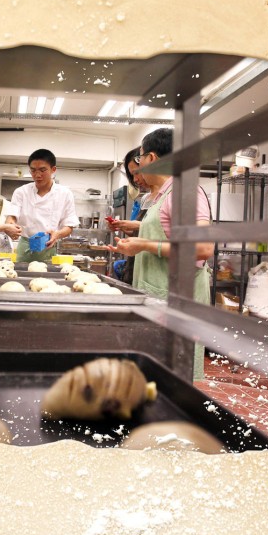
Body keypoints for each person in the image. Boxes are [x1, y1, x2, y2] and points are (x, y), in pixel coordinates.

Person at [108, 127, 214, 380]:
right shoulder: (163, 195)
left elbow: (203, 248)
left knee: (175, 378)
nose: (139, 164)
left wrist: (144, 246)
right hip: (159, 295)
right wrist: (139, 237)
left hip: (176, 300)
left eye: (141, 157)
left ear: (152, 159)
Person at [6, 148, 79, 263]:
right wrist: (10, 226)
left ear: (53, 169)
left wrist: (57, 234)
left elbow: (69, 226)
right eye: (33, 170)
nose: (37, 175)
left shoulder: (64, 194)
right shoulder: (21, 192)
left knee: (47, 279)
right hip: (25, 247)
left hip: (48, 247)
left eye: (42, 170)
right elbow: (11, 217)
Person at [110, 147, 151, 281]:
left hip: (152, 268)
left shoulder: (173, 196)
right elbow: (145, 233)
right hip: (137, 265)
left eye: (137, 173)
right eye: (132, 175)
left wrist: (135, 225)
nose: (136, 179)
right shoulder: (146, 199)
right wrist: (124, 228)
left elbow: (160, 232)